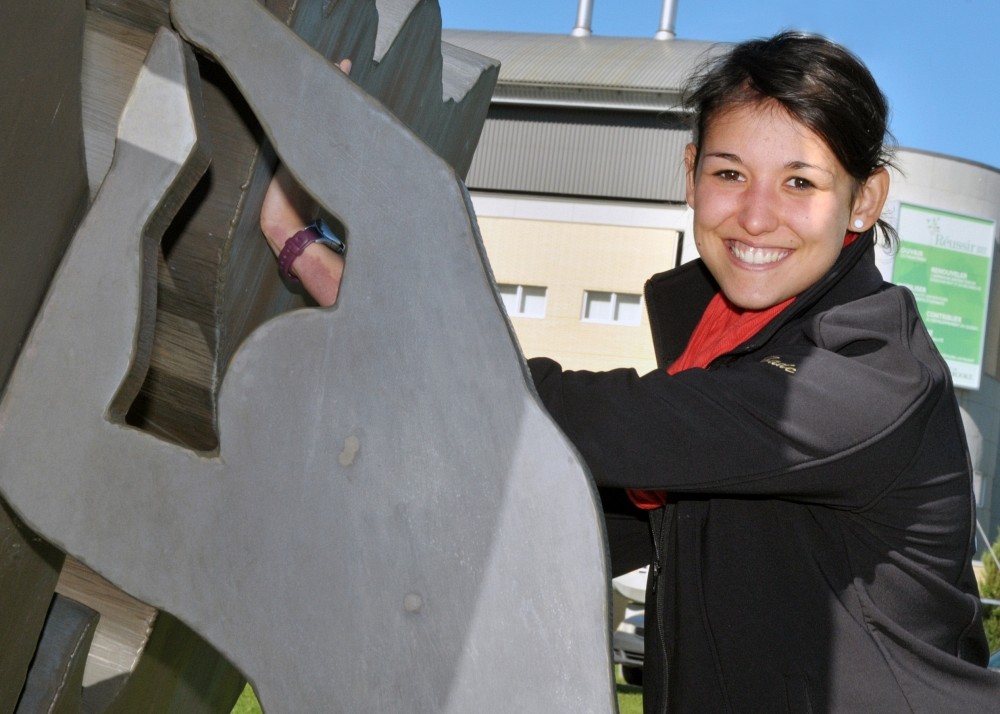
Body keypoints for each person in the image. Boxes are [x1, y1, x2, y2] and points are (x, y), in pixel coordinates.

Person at [261, 32, 999, 713]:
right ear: (690, 174)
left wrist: (310, 257)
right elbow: (553, 516)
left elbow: (579, 416)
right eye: (730, 172)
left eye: (801, 183)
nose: (755, 213)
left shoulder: (866, 373)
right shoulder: (722, 350)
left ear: (863, 200)